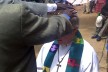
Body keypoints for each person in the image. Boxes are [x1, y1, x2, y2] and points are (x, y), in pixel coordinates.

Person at [0, 0, 77, 72]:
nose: (60, 37)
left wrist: (54, 6)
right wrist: (65, 17)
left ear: (75, 29)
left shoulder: (87, 53)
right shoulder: (47, 47)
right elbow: (50, 27)